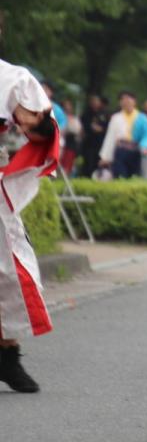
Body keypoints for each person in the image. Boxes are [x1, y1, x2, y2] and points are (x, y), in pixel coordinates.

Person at [0, 62, 62, 393]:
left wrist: (34, 121)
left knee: (9, 270)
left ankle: (8, 355)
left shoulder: (12, 78)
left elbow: (43, 132)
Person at [99, 91, 147, 179]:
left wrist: (146, 146)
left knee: (134, 177)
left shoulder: (142, 118)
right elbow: (110, 137)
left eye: (128, 99)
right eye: (123, 99)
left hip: (136, 151)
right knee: (120, 176)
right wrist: (105, 157)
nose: (126, 102)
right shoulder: (116, 117)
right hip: (121, 150)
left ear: (134, 101)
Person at [80, 94, 109, 178]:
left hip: (100, 142)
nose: (95, 103)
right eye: (93, 101)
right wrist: (90, 127)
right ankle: (86, 176)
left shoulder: (104, 114)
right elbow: (84, 125)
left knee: (97, 161)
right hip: (89, 142)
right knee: (88, 161)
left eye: (96, 101)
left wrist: (101, 129)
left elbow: (107, 126)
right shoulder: (86, 113)